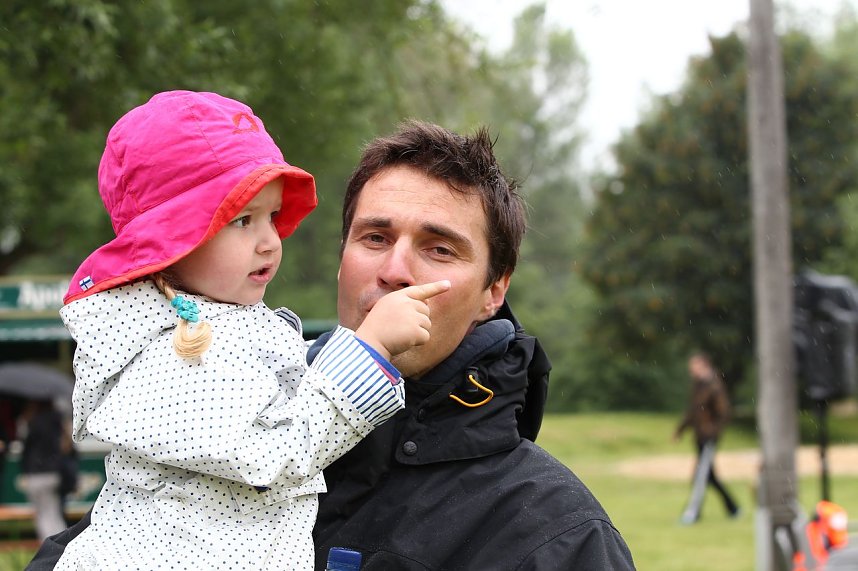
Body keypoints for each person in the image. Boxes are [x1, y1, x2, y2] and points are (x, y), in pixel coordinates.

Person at [28, 120, 635, 570]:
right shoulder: (224, 407)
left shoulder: (554, 535)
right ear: (342, 259)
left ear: (492, 292)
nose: (396, 270)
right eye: (374, 237)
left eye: (439, 248)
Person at [49, 91, 449, 570]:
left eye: (272, 216)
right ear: (169, 241)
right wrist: (370, 349)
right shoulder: (171, 348)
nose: (269, 241)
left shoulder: (208, 320)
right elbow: (271, 452)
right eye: (241, 219)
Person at [673, 351, 740, 525]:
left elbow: (724, 412)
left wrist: (712, 432)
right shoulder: (698, 385)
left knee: (700, 476)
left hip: (709, 439)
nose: (691, 370)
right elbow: (693, 412)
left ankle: (692, 513)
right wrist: (680, 430)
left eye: (693, 366)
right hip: (700, 438)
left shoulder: (714, 386)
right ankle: (733, 508)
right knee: (709, 476)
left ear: (704, 365)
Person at [17, 400, 67, 540]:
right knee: (53, 512)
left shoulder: (34, 422)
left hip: (37, 473)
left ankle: (48, 546)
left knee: (43, 515)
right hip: (53, 472)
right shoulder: (56, 421)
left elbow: (26, 445)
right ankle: (60, 544)